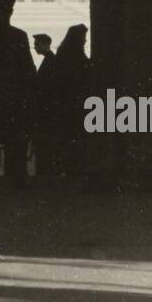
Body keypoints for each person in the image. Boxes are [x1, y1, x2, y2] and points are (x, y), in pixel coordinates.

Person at [0, 0, 35, 191]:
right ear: (11, 11)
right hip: (14, 95)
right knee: (17, 140)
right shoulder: (19, 36)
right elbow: (27, 67)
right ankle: (17, 178)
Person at [53, 24, 93, 183]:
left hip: (67, 103)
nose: (84, 41)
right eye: (83, 38)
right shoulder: (76, 56)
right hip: (76, 103)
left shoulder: (63, 54)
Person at [32, 34, 61, 175]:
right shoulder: (52, 61)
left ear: (45, 44)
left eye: (37, 44)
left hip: (46, 110)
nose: (35, 46)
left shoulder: (49, 62)